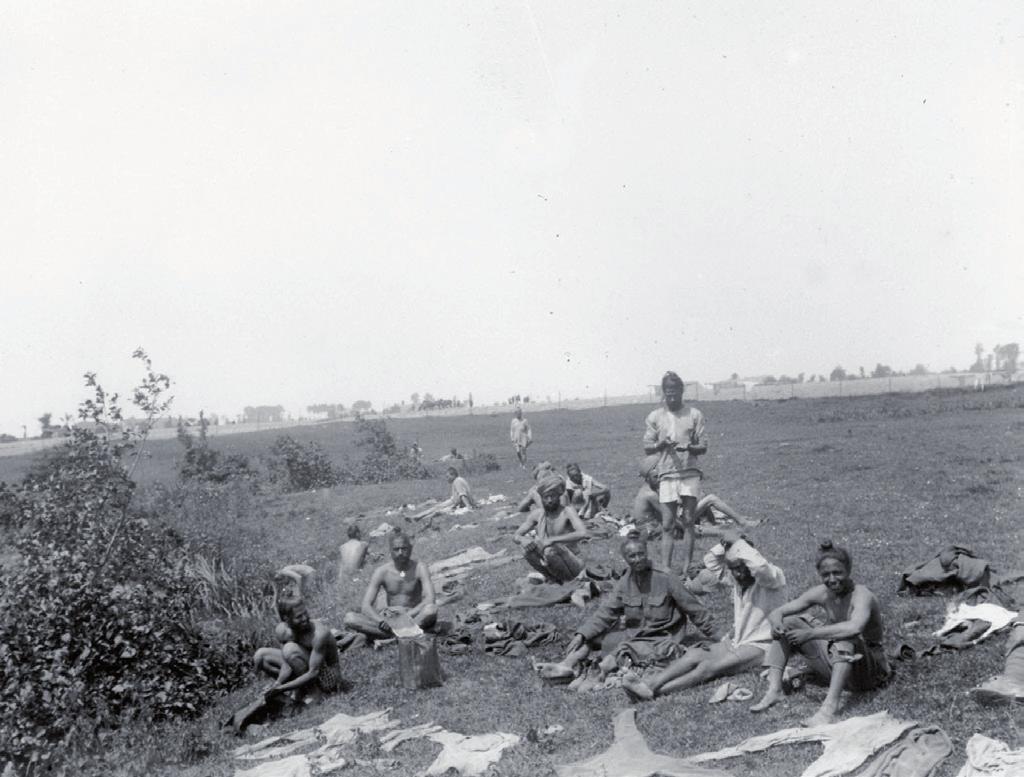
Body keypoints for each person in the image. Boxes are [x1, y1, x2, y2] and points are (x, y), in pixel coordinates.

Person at [622, 530, 787, 700]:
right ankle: (650, 684)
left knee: (708, 667)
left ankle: (655, 691)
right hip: (739, 640)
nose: (737, 574)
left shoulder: (771, 578)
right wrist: (726, 545)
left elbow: (759, 566)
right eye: (733, 570)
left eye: (740, 568)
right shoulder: (738, 580)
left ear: (748, 562)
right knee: (694, 654)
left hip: (763, 646)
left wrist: (738, 542)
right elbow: (711, 562)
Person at [750, 540, 891, 725]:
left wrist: (811, 634)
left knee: (846, 638)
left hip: (870, 674)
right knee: (789, 622)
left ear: (848, 570)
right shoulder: (822, 592)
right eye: (826, 575)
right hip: (840, 664)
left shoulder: (862, 594)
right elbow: (778, 612)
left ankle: (828, 710)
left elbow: (854, 627)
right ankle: (774, 690)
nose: (832, 579)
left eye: (837, 573)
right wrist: (777, 624)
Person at [551, 533, 717, 682]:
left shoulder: (666, 577)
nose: (637, 559)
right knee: (591, 637)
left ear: (647, 553)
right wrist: (581, 634)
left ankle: (598, 672)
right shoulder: (625, 581)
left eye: (640, 554)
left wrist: (721, 638)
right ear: (625, 558)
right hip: (634, 635)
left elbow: (696, 611)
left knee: (620, 650)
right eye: (632, 556)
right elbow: (606, 612)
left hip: (661, 638)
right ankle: (566, 665)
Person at [642, 371, 708, 569]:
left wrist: (688, 447)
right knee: (668, 524)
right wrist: (660, 445)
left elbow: (703, 446)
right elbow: (647, 447)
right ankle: (665, 569)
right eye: (668, 391)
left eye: (675, 391)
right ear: (663, 392)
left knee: (688, 521)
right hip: (667, 474)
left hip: (689, 472)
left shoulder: (694, 414)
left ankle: (687, 568)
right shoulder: (655, 416)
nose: (671, 395)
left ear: (681, 391)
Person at [343, 532, 438, 641]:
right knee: (350, 618)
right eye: (396, 549)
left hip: (413, 616)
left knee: (431, 610)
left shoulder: (420, 568)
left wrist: (407, 616)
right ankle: (403, 635)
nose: (400, 553)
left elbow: (430, 599)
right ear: (390, 551)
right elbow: (366, 606)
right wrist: (381, 621)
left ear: (410, 549)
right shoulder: (382, 572)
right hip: (390, 619)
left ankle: (390, 637)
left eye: (404, 548)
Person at [254, 598, 344, 704]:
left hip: (328, 676)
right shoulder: (283, 631)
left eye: (305, 613)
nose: (305, 618)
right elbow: (287, 664)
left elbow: (313, 672)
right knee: (261, 656)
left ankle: (316, 694)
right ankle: (299, 691)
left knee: (290, 650)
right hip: (305, 667)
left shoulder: (319, 634)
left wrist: (282, 688)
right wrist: (278, 683)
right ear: (286, 619)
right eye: (299, 617)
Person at [514, 475, 589, 582]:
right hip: (550, 562)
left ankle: (566, 582)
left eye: (552, 496)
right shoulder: (537, 515)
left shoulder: (567, 511)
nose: (549, 500)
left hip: (573, 564)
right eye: (546, 497)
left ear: (559, 496)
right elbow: (516, 536)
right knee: (527, 551)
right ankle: (553, 580)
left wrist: (552, 540)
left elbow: (582, 533)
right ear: (541, 498)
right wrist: (523, 539)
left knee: (550, 549)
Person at [412, 467, 478, 520]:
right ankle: (418, 516)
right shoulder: (458, 480)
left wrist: (469, 507)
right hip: (454, 501)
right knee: (437, 507)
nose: (447, 479)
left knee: (438, 511)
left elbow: (463, 495)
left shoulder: (457, 481)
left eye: (447, 476)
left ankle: (420, 518)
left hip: (457, 503)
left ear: (453, 475)